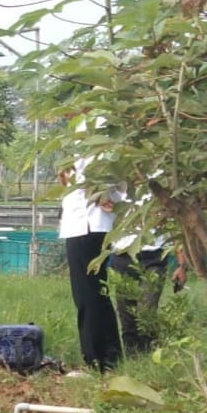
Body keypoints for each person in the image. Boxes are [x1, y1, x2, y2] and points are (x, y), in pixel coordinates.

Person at [58, 156, 123, 372]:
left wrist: (98, 194)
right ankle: (110, 358)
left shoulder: (90, 125)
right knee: (95, 293)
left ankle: (97, 362)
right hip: (85, 224)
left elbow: (94, 171)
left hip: (86, 225)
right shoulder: (80, 128)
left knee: (88, 296)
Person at [110, 231, 187, 356]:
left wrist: (181, 265)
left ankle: (151, 354)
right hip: (122, 256)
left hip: (154, 256)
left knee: (147, 308)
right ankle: (133, 357)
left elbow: (174, 229)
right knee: (126, 312)